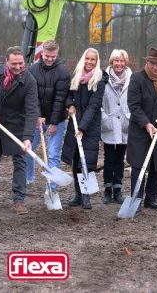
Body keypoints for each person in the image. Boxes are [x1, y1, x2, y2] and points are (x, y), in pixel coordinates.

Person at [0, 46, 39, 215]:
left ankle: (19, 199)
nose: (18, 67)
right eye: (14, 64)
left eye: (21, 63)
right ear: (6, 61)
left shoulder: (29, 81)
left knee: (20, 161)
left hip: (17, 126)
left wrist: (27, 137)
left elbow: (32, 111)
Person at [126, 47, 157, 210]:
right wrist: (146, 124)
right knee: (138, 164)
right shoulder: (137, 78)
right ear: (147, 62)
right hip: (140, 130)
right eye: (152, 63)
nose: (155, 67)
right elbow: (133, 105)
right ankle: (137, 199)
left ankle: (151, 198)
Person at [62, 48, 108, 209]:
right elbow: (67, 94)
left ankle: (86, 195)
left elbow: (94, 105)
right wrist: (70, 104)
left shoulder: (100, 79)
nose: (89, 62)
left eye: (93, 60)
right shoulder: (76, 75)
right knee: (76, 161)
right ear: (84, 59)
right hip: (74, 123)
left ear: (97, 62)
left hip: (90, 126)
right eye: (87, 59)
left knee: (86, 161)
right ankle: (77, 195)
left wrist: (82, 128)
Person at [26, 40, 70, 190]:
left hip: (56, 119)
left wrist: (54, 122)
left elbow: (60, 99)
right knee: (28, 149)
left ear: (57, 54)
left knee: (52, 154)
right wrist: (37, 116)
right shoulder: (32, 70)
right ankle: (28, 178)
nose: (50, 59)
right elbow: (33, 96)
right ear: (42, 53)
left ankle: (51, 187)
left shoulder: (63, 72)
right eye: (47, 56)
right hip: (36, 118)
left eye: (53, 56)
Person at [101, 49, 132, 204]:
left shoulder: (132, 79)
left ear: (125, 63)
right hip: (109, 123)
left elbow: (134, 101)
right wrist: (104, 118)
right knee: (109, 158)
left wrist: (130, 117)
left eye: (122, 61)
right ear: (111, 62)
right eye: (116, 61)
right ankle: (107, 188)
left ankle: (118, 189)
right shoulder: (103, 78)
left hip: (125, 123)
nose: (119, 64)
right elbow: (97, 101)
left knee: (120, 158)